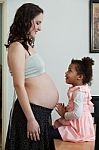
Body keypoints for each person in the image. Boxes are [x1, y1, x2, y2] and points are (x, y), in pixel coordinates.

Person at [5, 3, 59, 150]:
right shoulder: (16, 47)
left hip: (40, 113)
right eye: (37, 23)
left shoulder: (25, 46)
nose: (40, 28)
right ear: (26, 20)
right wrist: (30, 118)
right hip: (30, 113)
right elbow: (18, 85)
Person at [50, 57, 95, 142]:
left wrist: (64, 114)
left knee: (48, 134)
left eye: (70, 70)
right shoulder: (78, 90)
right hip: (76, 125)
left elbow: (77, 113)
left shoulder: (79, 92)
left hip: (77, 129)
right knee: (50, 131)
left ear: (80, 76)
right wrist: (66, 109)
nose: (66, 73)